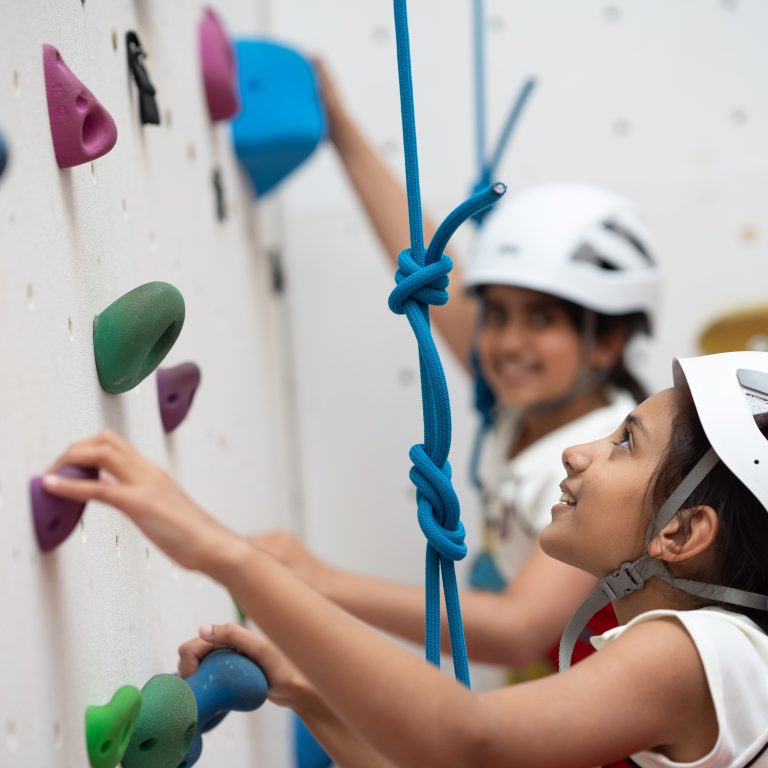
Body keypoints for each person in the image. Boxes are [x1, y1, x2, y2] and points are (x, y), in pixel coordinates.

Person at [42, 350, 768, 767]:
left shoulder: (699, 653)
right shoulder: (693, 656)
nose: (579, 453)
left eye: (625, 444)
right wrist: (308, 688)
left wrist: (221, 552)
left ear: (681, 533)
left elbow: (467, 739)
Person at [250, 62, 662, 674]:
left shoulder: (603, 468)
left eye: (542, 320)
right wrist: (339, 125)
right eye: (497, 315)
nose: (507, 343)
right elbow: (424, 263)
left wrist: (318, 581)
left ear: (606, 342)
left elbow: (517, 630)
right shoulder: (521, 399)